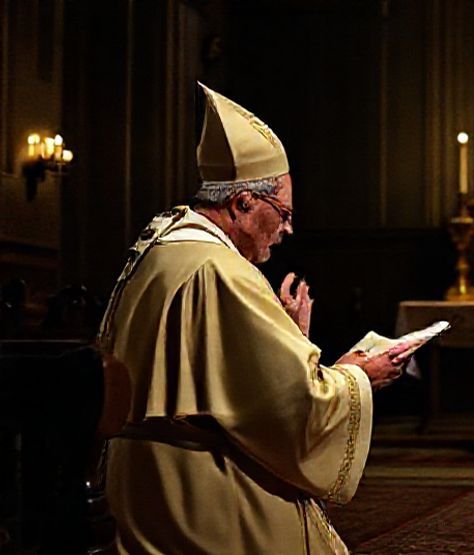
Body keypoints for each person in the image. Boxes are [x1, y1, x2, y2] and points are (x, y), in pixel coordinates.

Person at [96, 83, 405, 554]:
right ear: (242, 203)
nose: (287, 229)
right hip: (194, 485)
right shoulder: (222, 270)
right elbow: (289, 408)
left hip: (143, 474)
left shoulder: (167, 241)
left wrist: (287, 335)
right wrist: (357, 376)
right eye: (282, 214)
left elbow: (213, 370)